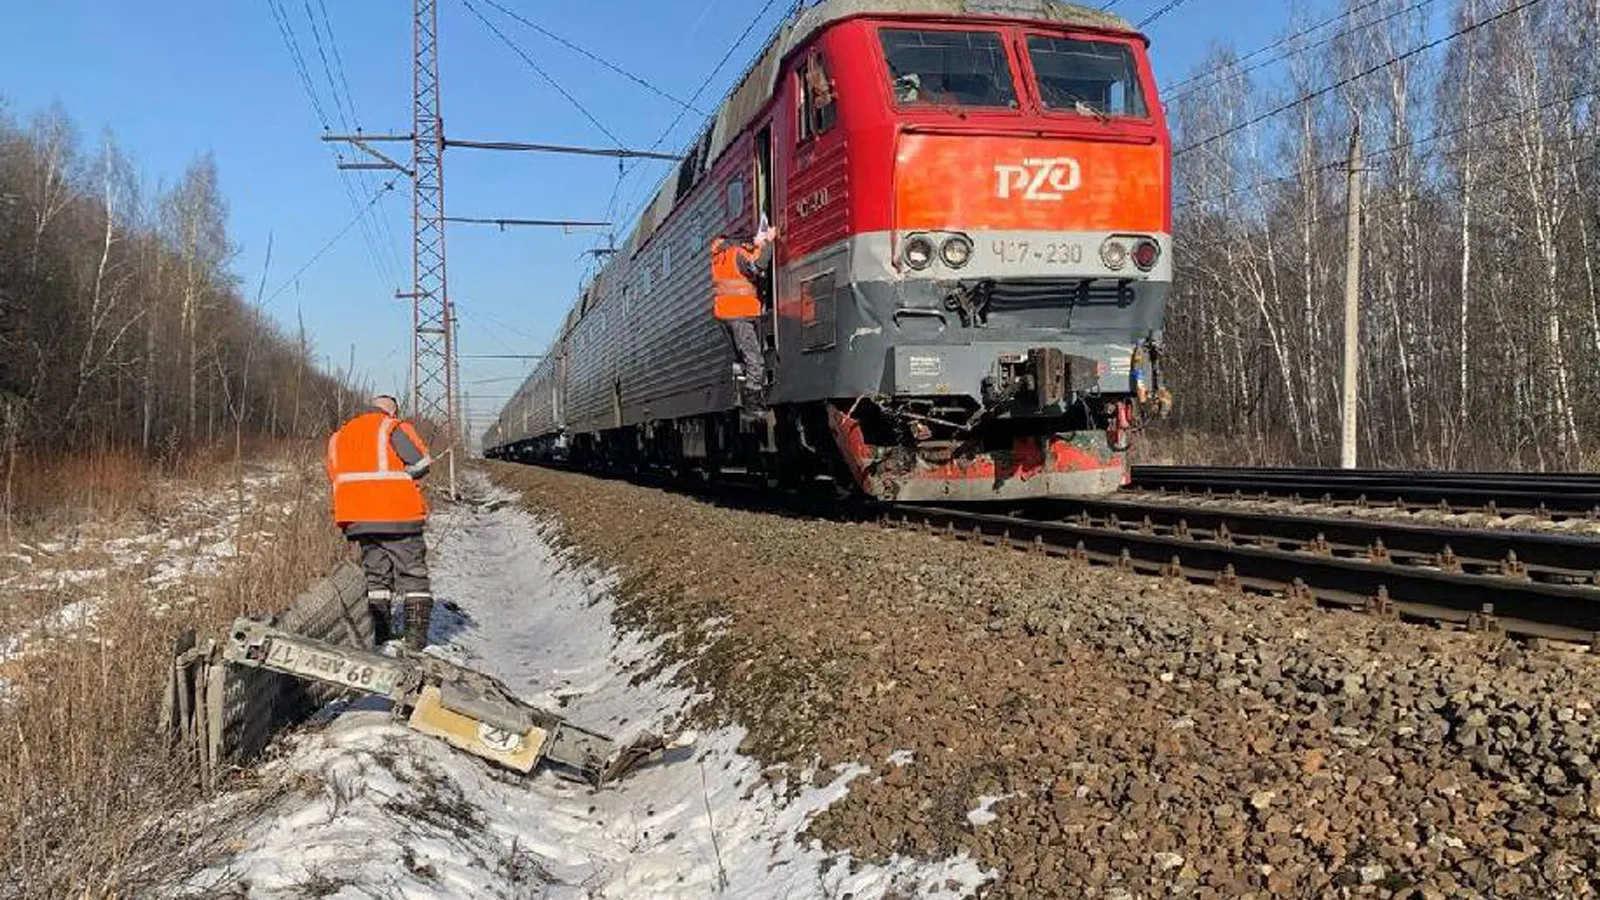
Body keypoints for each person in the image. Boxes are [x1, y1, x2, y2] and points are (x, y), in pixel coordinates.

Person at [324, 394, 435, 650]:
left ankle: (382, 638)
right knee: (414, 574)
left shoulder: (339, 436)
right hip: (397, 514)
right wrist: (402, 478)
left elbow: (335, 474)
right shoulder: (390, 426)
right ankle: (416, 642)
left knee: (377, 578)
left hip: (358, 518)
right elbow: (420, 462)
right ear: (391, 411)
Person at [711, 222, 776, 410]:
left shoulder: (719, 256)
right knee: (754, 358)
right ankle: (752, 402)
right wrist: (769, 243)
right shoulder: (737, 254)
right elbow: (757, 267)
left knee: (741, 360)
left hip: (724, 313)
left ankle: (741, 394)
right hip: (741, 312)